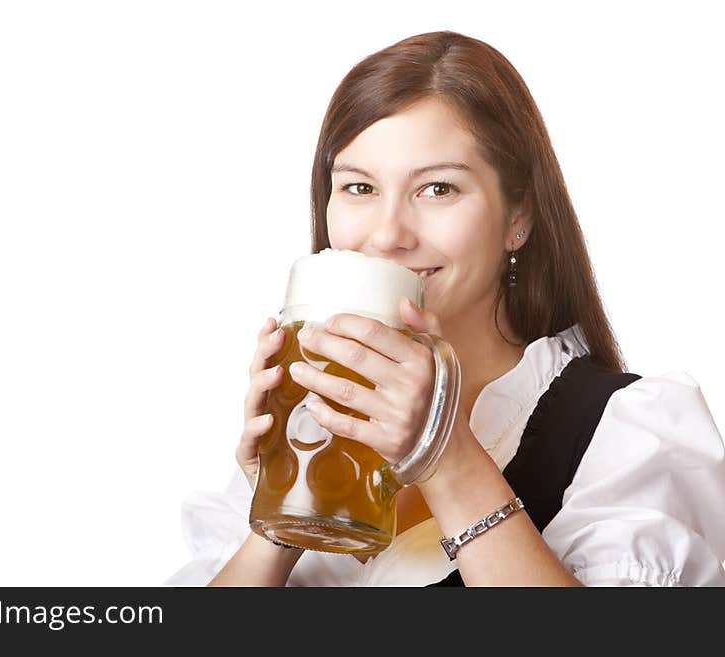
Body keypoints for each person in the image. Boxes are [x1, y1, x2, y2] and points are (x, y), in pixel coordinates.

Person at [165, 31, 725, 587]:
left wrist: (448, 456)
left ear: (519, 217)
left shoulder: (624, 433)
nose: (387, 236)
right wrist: (280, 519)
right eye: (359, 188)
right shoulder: (303, 430)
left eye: (438, 190)